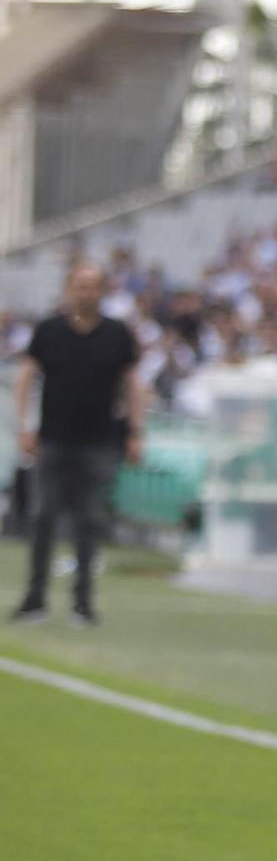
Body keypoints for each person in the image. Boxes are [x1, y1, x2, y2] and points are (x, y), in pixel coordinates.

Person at [12, 263, 143, 626]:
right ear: (69, 290)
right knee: (43, 517)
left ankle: (82, 603)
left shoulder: (117, 335)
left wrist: (135, 431)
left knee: (90, 521)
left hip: (98, 442)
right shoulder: (50, 331)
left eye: (94, 287)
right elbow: (26, 376)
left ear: (102, 291)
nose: (87, 293)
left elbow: (132, 383)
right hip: (52, 439)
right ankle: (35, 598)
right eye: (80, 286)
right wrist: (25, 425)